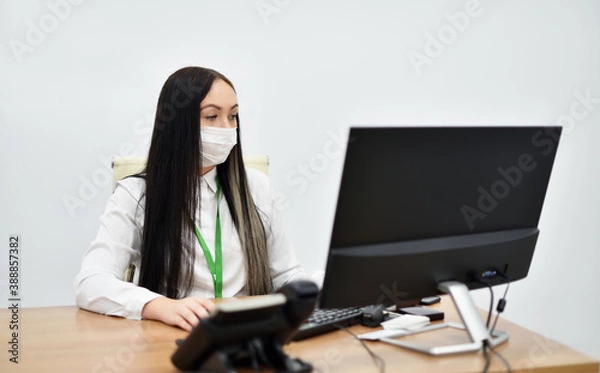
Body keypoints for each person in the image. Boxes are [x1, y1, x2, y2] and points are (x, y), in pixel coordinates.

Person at [74, 66, 317, 331]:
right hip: (173, 334)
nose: (227, 128)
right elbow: (91, 281)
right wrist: (161, 306)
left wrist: (317, 287)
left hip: (249, 333)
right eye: (212, 116)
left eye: (233, 116)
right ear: (178, 124)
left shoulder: (256, 186)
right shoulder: (136, 194)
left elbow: (285, 274)